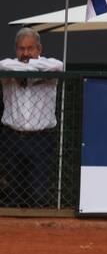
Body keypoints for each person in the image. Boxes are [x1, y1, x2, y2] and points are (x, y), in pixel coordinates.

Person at [0, 28, 63, 207]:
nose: (26, 53)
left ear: (39, 49)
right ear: (15, 50)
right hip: (12, 138)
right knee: (12, 195)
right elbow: (3, 65)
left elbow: (59, 65)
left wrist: (28, 68)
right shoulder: (8, 65)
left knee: (38, 195)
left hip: (41, 139)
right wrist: (28, 69)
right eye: (21, 49)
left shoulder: (51, 66)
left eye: (30, 48)